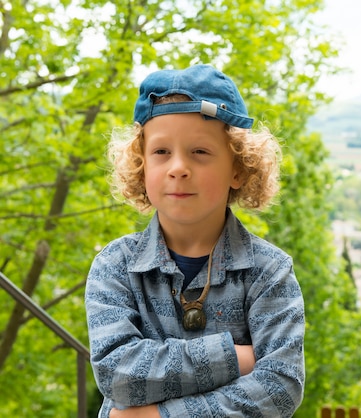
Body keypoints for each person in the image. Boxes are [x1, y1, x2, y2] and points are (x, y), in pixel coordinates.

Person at [85, 64, 305, 418]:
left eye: (199, 152)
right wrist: (237, 357)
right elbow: (117, 373)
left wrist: (157, 415)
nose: (178, 168)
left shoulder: (270, 272)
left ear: (238, 169)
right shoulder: (115, 266)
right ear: (141, 167)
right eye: (161, 153)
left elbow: (280, 387)